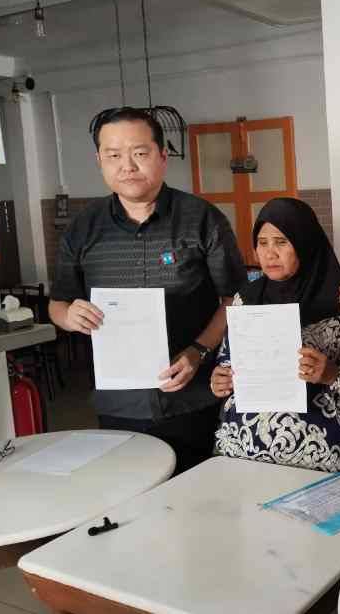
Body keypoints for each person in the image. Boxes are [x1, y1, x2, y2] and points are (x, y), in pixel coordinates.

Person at [49, 107, 247, 475]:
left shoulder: (202, 219)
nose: (127, 165)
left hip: (193, 398)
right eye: (113, 155)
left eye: (139, 153)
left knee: (197, 501)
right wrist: (68, 316)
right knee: (127, 501)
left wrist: (197, 351)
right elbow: (57, 304)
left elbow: (234, 300)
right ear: (99, 161)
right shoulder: (83, 229)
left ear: (162, 156)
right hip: (119, 404)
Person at [210, 198, 340, 472]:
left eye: (281, 242)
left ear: (304, 244)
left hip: (316, 455)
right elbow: (227, 361)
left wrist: (330, 374)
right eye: (262, 242)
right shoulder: (246, 298)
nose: (269, 253)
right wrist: (219, 379)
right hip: (242, 447)